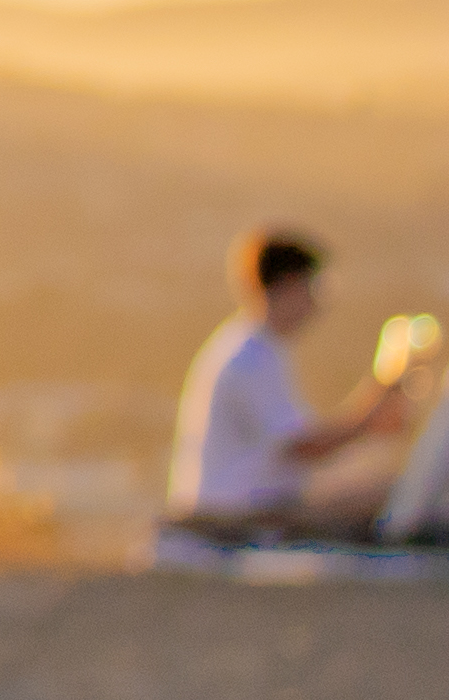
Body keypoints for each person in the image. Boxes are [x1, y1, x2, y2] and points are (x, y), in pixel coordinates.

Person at [162, 226, 430, 540]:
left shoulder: (255, 348)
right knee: (395, 495)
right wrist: (373, 410)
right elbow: (306, 448)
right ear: (289, 285)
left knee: (385, 490)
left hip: (246, 503)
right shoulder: (251, 358)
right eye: (314, 288)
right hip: (236, 513)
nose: (318, 304)